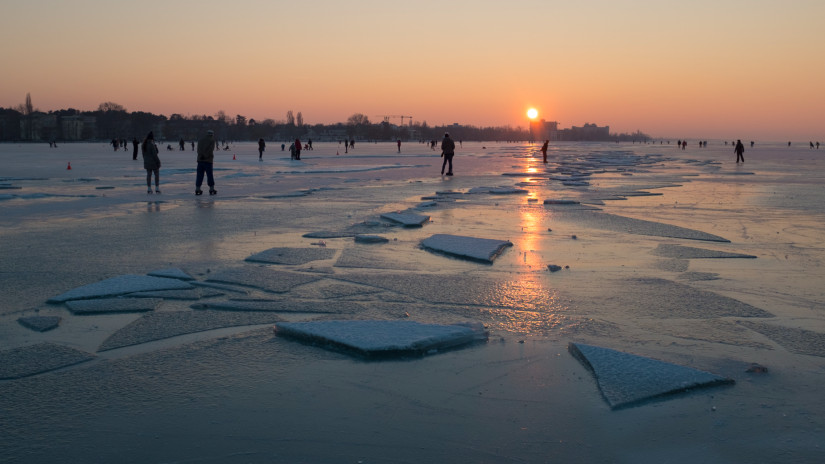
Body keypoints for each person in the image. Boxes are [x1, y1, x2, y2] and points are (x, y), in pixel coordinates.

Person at [196, 130, 217, 195]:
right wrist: (205, 156)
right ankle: (211, 188)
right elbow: (210, 150)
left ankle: (197, 188)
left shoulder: (200, 140)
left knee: (199, 175)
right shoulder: (212, 140)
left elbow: (198, 149)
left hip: (200, 160)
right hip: (208, 161)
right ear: (212, 134)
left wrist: (201, 156)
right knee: (209, 175)